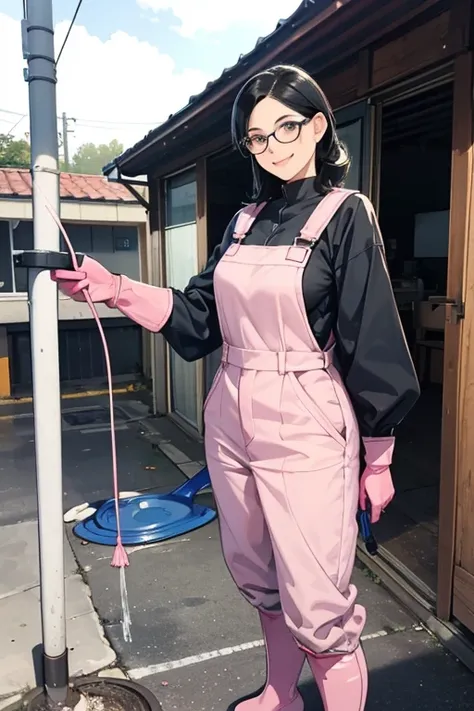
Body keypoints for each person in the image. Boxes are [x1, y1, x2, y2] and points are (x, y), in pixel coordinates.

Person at [51, 65, 420, 711]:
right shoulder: (244, 220)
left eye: (286, 127)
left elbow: (373, 337)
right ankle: (282, 693)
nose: (274, 146)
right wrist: (115, 287)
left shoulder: (345, 214)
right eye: (256, 137)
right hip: (232, 413)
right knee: (259, 575)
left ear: (316, 125)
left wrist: (379, 456)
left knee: (319, 599)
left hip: (307, 418)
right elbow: (199, 318)